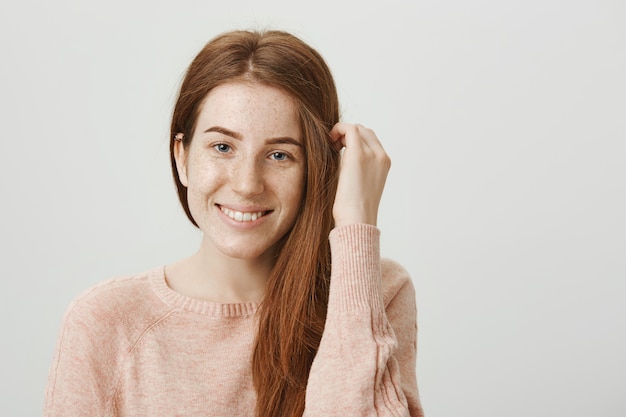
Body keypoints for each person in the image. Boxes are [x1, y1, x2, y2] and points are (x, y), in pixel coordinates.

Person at [44, 29, 425, 417]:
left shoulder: (375, 292)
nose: (246, 185)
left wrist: (355, 224)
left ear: (318, 168)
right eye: (222, 147)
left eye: (279, 155)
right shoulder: (105, 322)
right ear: (182, 157)